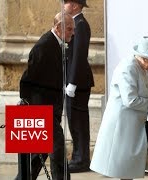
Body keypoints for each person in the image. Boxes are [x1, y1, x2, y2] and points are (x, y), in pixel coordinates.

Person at [90, 36, 148, 180]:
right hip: (122, 126)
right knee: (123, 168)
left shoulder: (142, 68)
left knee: (128, 169)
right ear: (145, 57)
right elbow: (130, 100)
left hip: (133, 125)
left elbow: (142, 95)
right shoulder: (128, 68)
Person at [16, 12, 74, 180]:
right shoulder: (43, 46)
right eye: (69, 29)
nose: (73, 32)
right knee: (58, 151)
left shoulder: (56, 43)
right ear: (58, 28)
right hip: (43, 109)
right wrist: (30, 109)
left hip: (51, 108)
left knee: (37, 156)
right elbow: (26, 80)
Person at [63, 0, 95, 173]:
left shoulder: (80, 24)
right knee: (74, 121)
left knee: (78, 122)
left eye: (66, 2)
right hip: (74, 80)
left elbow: (79, 56)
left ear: (75, 5)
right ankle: (78, 156)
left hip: (79, 82)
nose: (63, 5)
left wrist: (73, 82)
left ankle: (81, 159)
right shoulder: (75, 22)